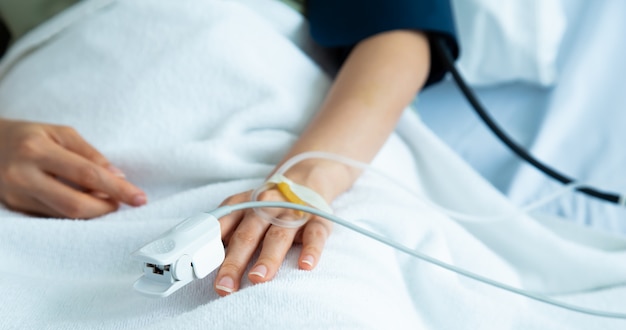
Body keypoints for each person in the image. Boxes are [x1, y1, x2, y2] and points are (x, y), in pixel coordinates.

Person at [0, 0, 458, 296]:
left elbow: (398, 31)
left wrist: (308, 179)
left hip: (298, 137)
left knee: (311, 307)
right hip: (45, 163)